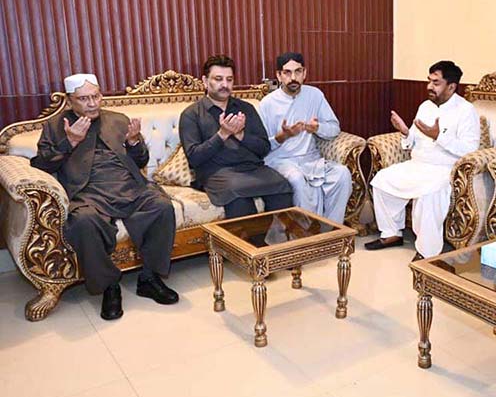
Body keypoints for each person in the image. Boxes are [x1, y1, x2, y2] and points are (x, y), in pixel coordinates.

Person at [31, 73, 178, 321]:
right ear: (69, 101)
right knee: (83, 221)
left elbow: (141, 161)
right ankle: (109, 286)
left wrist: (134, 143)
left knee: (162, 206)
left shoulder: (118, 120)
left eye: (96, 96)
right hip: (88, 192)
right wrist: (69, 142)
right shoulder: (55, 126)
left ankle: (150, 279)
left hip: (129, 186)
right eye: (84, 99)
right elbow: (41, 165)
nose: (92, 103)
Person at [366, 60, 480, 260]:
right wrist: (405, 132)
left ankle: (428, 252)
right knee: (382, 180)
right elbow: (414, 140)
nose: (429, 86)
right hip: (417, 164)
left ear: (451, 87)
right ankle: (391, 233)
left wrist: (439, 136)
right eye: (429, 81)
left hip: (445, 169)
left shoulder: (466, 110)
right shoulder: (425, 106)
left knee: (429, 194)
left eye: (436, 83)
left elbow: (470, 149)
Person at [179, 54, 293, 218]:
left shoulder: (246, 108)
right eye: (218, 79)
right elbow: (194, 158)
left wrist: (241, 135)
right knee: (237, 197)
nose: (224, 85)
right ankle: (251, 236)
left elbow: (264, 148)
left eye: (229, 79)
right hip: (216, 173)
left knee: (282, 186)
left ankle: (278, 236)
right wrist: (222, 134)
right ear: (205, 81)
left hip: (252, 169)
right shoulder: (191, 115)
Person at [258, 51, 352, 224]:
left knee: (342, 174)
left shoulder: (315, 95)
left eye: (298, 71)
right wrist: (283, 136)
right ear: (279, 75)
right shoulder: (267, 104)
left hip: (311, 160)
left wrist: (317, 128)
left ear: (305, 73)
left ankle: (331, 229)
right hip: (281, 161)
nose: (293, 78)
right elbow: (261, 146)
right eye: (287, 72)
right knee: (296, 179)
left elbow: (334, 128)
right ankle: (307, 234)